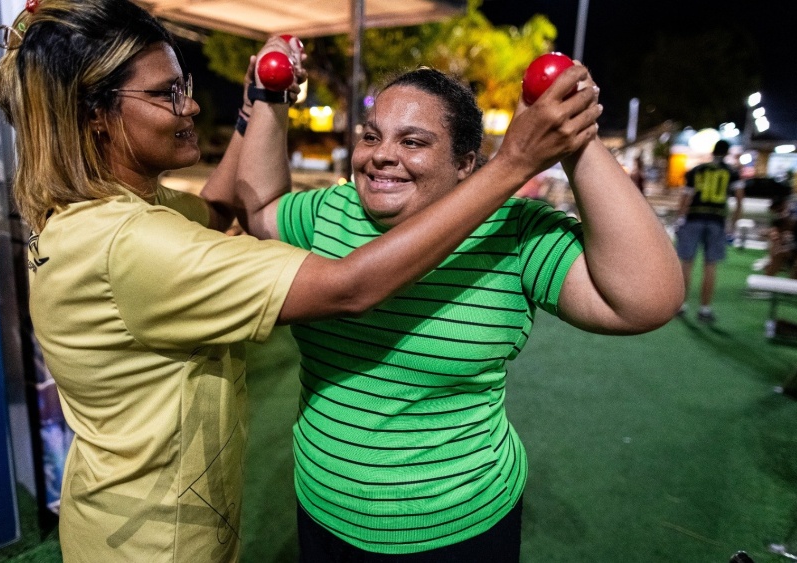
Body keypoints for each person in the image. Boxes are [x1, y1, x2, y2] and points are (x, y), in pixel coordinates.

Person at [0, 0, 603, 560]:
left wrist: (264, 97)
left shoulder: (103, 215)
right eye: (166, 93)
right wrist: (514, 163)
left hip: (136, 513)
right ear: (96, 115)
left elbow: (226, 208)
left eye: (185, 87)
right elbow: (349, 288)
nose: (191, 106)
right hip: (152, 542)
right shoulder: (138, 243)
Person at [232, 67, 684, 560]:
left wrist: (574, 137)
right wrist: (269, 94)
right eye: (372, 136)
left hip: (462, 525)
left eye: (413, 142)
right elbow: (259, 212)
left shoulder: (511, 231)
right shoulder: (329, 211)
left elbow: (647, 299)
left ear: (466, 162)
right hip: (324, 510)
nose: (382, 155)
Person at [674, 139, 744, 322]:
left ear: (713, 152)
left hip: (694, 217)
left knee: (686, 263)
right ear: (728, 153)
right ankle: (704, 309)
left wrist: (680, 218)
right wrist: (733, 225)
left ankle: (681, 305)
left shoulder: (697, 170)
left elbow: (686, 196)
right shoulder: (732, 172)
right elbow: (739, 201)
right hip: (717, 219)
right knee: (710, 266)